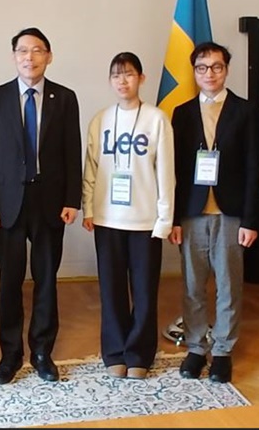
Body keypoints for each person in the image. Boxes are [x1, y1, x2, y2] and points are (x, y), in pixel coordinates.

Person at [0, 26, 82, 385]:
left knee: (46, 280)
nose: (30, 57)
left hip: (49, 202)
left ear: (49, 56)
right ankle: (10, 354)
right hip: (7, 204)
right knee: (9, 281)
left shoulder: (64, 98)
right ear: (14, 57)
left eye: (37, 50)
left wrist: (72, 199)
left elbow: (72, 151)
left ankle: (41, 352)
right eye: (23, 50)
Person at [168, 42, 259, 384]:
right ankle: (196, 347)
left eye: (217, 67)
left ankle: (222, 350)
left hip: (230, 213)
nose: (210, 74)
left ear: (226, 70)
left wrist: (251, 219)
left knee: (228, 285)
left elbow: (254, 168)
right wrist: (174, 218)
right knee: (192, 285)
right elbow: (175, 170)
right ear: (194, 72)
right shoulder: (182, 112)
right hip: (192, 213)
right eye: (202, 68)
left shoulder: (246, 111)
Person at [81, 52, 174, 380]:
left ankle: (139, 354)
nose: (122, 81)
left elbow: (166, 172)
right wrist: (88, 208)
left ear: (141, 78)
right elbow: (91, 169)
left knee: (145, 292)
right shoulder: (101, 120)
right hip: (107, 219)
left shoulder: (156, 119)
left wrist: (165, 218)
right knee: (112, 291)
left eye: (129, 74)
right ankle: (114, 352)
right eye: (116, 75)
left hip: (145, 221)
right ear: (110, 81)